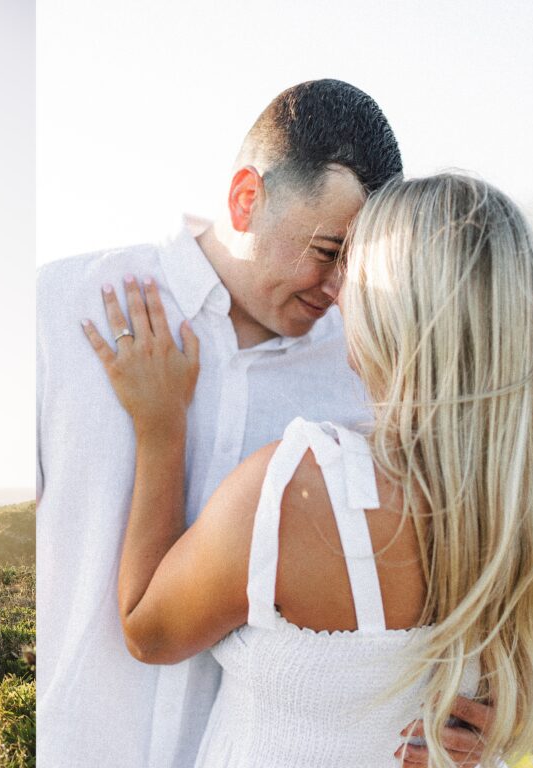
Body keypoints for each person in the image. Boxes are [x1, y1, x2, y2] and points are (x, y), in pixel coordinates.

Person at [36, 79, 489, 767]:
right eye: (328, 251)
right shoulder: (59, 312)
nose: (340, 289)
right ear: (247, 199)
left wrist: (475, 709)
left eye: (360, 265)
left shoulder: (373, 373)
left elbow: (440, 584)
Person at [83, 173, 533, 766]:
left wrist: (162, 427)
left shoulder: (301, 490)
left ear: (394, 308)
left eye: (349, 271)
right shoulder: (528, 499)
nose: (334, 294)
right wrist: (509, 728)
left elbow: (149, 631)